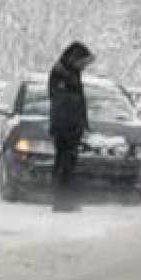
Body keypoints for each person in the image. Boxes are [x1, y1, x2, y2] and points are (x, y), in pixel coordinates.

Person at [48, 41, 94, 211]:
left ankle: (65, 200)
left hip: (71, 125)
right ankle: (61, 202)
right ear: (75, 58)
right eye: (83, 62)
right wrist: (75, 122)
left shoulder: (72, 72)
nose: (84, 66)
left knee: (68, 164)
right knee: (64, 164)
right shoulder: (61, 73)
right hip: (64, 127)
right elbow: (63, 101)